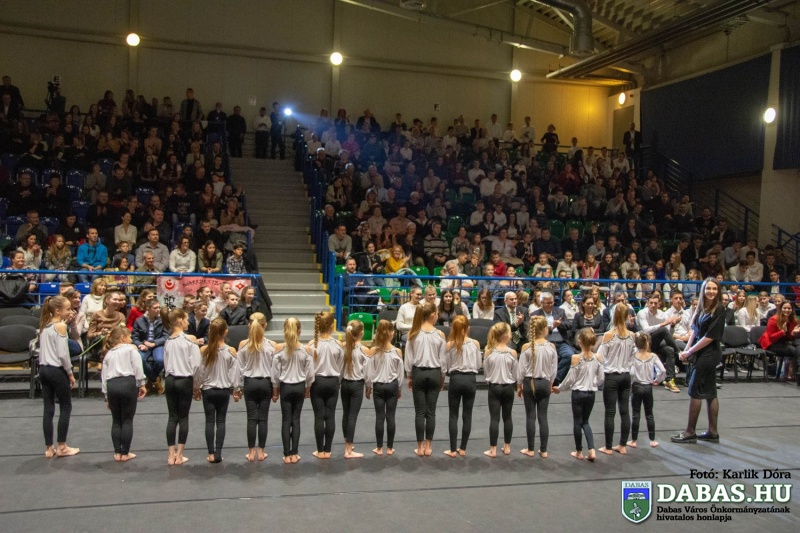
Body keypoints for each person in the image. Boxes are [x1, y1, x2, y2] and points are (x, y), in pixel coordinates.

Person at [672, 278, 726, 444]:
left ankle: (690, 432)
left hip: (709, 354)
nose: (711, 291)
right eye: (708, 288)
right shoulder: (701, 307)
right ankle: (712, 432)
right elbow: (695, 331)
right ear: (703, 290)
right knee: (710, 392)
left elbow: (709, 337)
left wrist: (690, 351)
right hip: (700, 353)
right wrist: (686, 351)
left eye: (714, 289)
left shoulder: (719, 309)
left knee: (695, 391)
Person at [552, 328, 604, 461]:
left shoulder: (576, 358)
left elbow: (570, 379)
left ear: (579, 341)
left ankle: (579, 451)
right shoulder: (598, 357)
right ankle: (592, 449)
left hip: (578, 393)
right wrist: (593, 384)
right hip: (591, 393)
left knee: (577, 422)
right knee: (586, 422)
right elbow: (601, 378)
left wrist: (560, 388)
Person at [37, 296, 80, 458]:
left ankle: (49, 448)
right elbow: (63, 354)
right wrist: (70, 373)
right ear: (57, 310)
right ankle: (62, 446)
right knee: (65, 406)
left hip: (43, 369)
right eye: (68, 309)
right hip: (56, 370)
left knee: (48, 409)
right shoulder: (60, 327)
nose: (70, 312)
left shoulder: (45, 325)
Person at [194, 318, 241, 463]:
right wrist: (236, 389)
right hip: (223, 390)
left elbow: (199, 371)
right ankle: (218, 453)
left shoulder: (204, 350)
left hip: (208, 390)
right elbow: (235, 372)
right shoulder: (231, 350)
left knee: (209, 421)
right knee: (221, 421)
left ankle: (211, 453)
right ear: (226, 332)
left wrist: (196, 387)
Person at [405, 302, 447, 457]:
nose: (438, 316)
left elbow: (409, 358)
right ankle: (429, 446)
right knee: (431, 412)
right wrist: (442, 377)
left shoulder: (413, 333)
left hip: (419, 373)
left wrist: (409, 376)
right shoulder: (440, 335)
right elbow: (443, 360)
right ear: (432, 315)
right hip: (435, 373)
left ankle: (420, 447)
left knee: (419, 412)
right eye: (437, 314)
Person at [101, 326, 147, 462]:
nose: (131, 339)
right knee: (127, 420)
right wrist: (142, 384)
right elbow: (138, 368)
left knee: (116, 420)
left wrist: (106, 396)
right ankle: (125, 452)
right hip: (127, 384)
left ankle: (117, 452)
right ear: (122, 338)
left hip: (112, 386)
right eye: (129, 337)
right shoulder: (131, 350)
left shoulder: (108, 354)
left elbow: (104, 377)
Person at [272, 317, 315, 464]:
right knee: (296, 419)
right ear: (300, 331)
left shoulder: (279, 348)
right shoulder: (306, 349)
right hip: (299, 386)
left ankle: (286, 454)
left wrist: (275, 389)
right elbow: (310, 373)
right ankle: (294, 453)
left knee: (286, 419)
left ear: (285, 330)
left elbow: (275, 372)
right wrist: (308, 387)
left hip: (286, 387)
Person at [162, 307, 201, 466]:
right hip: (184, 380)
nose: (188, 323)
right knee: (183, 417)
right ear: (179, 320)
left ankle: (170, 454)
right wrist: (197, 385)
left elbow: (165, 363)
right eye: (186, 319)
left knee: (172, 417)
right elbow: (197, 365)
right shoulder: (190, 340)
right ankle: (179, 455)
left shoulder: (168, 341)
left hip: (170, 380)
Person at [596, 304, 636, 456]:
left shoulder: (608, 335)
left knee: (610, 412)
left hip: (611, 376)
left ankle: (608, 447)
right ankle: (622, 445)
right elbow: (633, 357)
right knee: (625, 411)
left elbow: (600, 356)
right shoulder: (632, 335)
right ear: (627, 316)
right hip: (625, 375)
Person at [237, 313, 276, 462]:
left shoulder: (243, 344)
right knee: (263, 419)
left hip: (250, 383)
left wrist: (237, 387)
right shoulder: (272, 345)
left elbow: (239, 367)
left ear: (249, 325)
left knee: (252, 419)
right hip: (266, 383)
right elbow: (274, 369)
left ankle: (251, 452)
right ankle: (261, 452)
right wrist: (276, 388)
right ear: (265, 325)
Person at [517, 316, 557, 458]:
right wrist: (551, 383)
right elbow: (554, 369)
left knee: (530, 416)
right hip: (544, 383)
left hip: (530, 382)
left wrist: (519, 385)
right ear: (545, 329)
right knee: (543, 416)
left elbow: (521, 369)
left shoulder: (526, 347)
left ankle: (530, 449)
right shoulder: (551, 347)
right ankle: (544, 450)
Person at [443, 316, 481, 457]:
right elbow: (478, 364)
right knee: (467, 415)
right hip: (470, 379)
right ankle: (463, 448)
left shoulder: (449, 345)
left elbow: (446, 365)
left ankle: (453, 450)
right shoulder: (475, 343)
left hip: (455, 379)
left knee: (453, 415)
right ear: (467, 328)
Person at [365, 320, 404, 456]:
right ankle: (390, 448)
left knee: (380, 416)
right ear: (392, 334)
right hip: (392, 385)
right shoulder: (397, 351)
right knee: (391, 416)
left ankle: (379, 448)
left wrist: (368, 386)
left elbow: (369, 371)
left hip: (378, 386)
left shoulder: (373, 351)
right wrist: (400, 388)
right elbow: (400, 373)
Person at [308, 311, 344, 459]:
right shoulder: (338, 345)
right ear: (331, 326)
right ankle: (327, 450)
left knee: (319, 416)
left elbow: (309, 367)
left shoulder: (312, 344)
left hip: (317, 382)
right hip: (333, 381)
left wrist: (308, 384)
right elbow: (341, 366)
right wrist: (338, 381)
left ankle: (320, 450)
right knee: (330, 415)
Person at [482, 322, 518, 458]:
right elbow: (515, 373)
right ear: (507, 335)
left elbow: (486, 371)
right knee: (507, 417)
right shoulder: (512, 353)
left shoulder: (488, 352)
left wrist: (490, 380)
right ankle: (507, 447)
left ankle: (493, 449)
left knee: (494, 418)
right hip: (508, 388)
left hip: (494, 387)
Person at [628, 332, 666, 448]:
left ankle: (634, 440)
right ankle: (652, 440)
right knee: (649, 414)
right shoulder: (653, 356)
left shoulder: (633, 356)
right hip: (648, 387)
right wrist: (657, 380)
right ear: (648, 343)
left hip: (637, 387)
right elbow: (663, 370)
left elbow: (631, 372)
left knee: (636, 414)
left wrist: (631, 382)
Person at [340, 319, 369, 459]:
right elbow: (367, 371)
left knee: (346, 414)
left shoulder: (344, 347)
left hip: (345, 384)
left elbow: (340, 368)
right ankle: (348, 450)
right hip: (357, 385)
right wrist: (368, 386)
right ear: (361, 333)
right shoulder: (364, 350)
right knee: (352, 416)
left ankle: (347, 442)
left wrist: (339, 381)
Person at [532, 292, 575, 383]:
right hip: (545, 341)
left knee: (570, 355)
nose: (550, 305)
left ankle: (556, 379)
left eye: (552, 302)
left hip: (561, 341)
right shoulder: (535, 314)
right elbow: (535, 330)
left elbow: (569, 325)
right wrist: (551, 327)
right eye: (547, 303)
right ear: (542, 303)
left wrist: (560, 324)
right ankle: (545, 379)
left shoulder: (560, 311)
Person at [132, 299, 168, 394]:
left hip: (157, 344)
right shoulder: (139, 321)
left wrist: (154, 343)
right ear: (148, 308)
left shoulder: (162, 320)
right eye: (155, 308)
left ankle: (151, 380)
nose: (158, 309)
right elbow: (135, 337)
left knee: (160, 360)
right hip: (144, 344)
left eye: (159, 307)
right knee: (139, 359)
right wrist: (140, 345)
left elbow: (166, 336)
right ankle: (155, 379)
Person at [759, 301, 800, 382]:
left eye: (789, 308)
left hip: (784, 343)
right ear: (781, 309)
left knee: (798, 348)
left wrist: (793, 333)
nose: (787, 310)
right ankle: (798, 373)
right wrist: (782, 332)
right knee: (796, 351)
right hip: (772, 344)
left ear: (792, 310)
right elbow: (771, 337)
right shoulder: (773, 319)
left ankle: (798, 372)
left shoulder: (794, 320)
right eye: (785, 308)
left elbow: (789, 338)